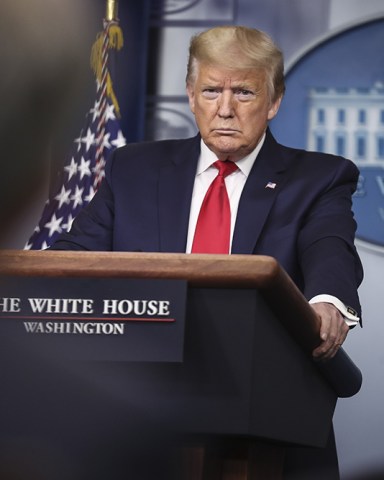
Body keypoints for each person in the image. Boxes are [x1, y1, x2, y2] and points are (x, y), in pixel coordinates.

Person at [51, 25, 363, 478]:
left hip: (266, 420)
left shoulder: (319, 178)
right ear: (191, 95)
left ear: (273, 102)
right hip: (132, 418)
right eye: (212, 90)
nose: (226, 109)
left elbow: (329, 247)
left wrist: (327, 301)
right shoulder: (133, 168)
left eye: (244, 93)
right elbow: (70, 260)